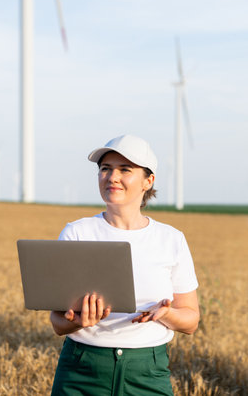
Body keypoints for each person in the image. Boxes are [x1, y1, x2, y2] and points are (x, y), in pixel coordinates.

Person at [50, 134, 199, 396]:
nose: (112, 177)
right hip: (81, 369)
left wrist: (167, 315)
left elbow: (191, 320)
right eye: (105, 169)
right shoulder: (76, 232)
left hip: (148, 372)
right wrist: (81, 321)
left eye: (125, 170)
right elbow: (58, 323)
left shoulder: (171, 239)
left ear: (148, 180)